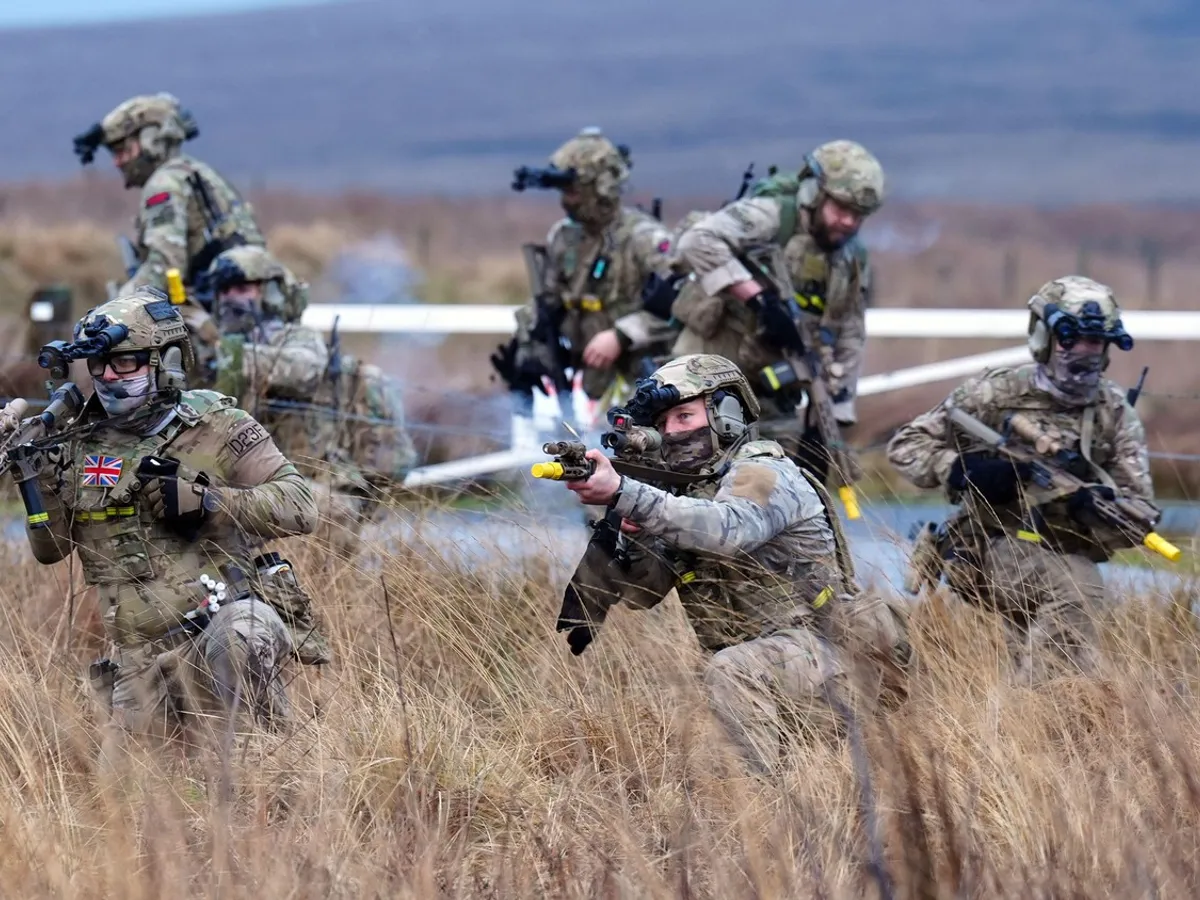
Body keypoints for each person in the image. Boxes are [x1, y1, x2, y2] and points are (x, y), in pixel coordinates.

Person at [1, 287, 320, 766]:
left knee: (242, 642)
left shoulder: (217, 423)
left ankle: (262, 761)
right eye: (100, 364)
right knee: (126, 811)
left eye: (125, 363)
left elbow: (301, 505)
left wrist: (210, 502)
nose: (109, 376)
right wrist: (35, 475)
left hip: (220, 627)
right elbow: (51, 549)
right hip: (137, 664)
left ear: (164, 362)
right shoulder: (78, 441)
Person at [552, 353, 909, 776]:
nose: (672, 432)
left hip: (834, 659)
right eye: (664, 424)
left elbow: (728, 530)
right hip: (775, 673)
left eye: (684, 416)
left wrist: (629, 493)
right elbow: (642, 594)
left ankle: (765, 817)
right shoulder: (686, 496)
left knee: (731, 671)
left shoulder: (764, 472)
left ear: (728, 413)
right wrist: (634, 534)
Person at [886, 276, 1156, 679]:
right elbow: (906, 446)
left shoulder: (1113, 413)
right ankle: (1044, 708)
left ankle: (1020, 725)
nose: (1083, 354)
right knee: (1077, 589)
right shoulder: (994, 395)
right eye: (1071, 340)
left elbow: (1141, 514)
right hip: (984, 546)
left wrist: (1096, 509)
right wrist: (961, 471)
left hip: (1062, 550)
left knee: (1046, 637)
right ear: (1045, 338)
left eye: (1095, 343)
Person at [670, 140, 885, 483]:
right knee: (690, 485)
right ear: (817, 193)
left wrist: (830, 412)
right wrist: (759, 300)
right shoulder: (772, 215)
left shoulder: (850, 258)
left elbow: (850, 332)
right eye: (841, 208)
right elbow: (697, 241)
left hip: (773, 394)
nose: (848, 221)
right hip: (704, 380)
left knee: (779, 491)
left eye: (858, 215)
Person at [207, 245, 413, 556]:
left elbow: (303, 368)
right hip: (245, 481)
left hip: (308, 481)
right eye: (223, 291)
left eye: (242, 288)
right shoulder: (215, 342)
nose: (230, 298)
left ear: (271, 292)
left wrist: (230, 357)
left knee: (325, 510)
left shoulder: (294, 338)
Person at [73, 92, 267, 380]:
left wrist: (113, 310)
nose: (117, 162)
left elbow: (164, 266)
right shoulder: (197, 172)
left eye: (123, 150)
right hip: (241, 319)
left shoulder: (164, 184)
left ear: (151, 141)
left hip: (210, 327)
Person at [491, 127, 679, 419]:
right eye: (564, 192)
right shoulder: (565, 238)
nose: (568, 200)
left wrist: (622, 335)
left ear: (600, 188)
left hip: (648, 377)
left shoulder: (645, 239)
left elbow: (679, 303)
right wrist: (530, 348)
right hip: (594, 381)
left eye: (574, 191)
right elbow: (548, 303)